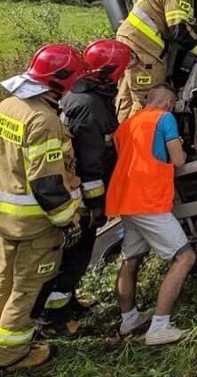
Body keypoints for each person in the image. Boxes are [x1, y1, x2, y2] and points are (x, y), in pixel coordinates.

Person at [32, 39, 135, 337]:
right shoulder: (88, 107)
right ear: (112, 72)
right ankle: (55, 320)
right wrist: (97, 207)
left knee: (77, 257)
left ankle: (70, 302)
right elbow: (90, 165)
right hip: (80, 200)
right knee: (73, 260)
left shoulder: (90, 95)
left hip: (81, 195)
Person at [0, 44, 86, 371]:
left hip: (5, 220)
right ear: (62, 82)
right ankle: (12, 355)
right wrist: (69, 222)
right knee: (26, 290)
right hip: (35, 225)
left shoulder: (8, 105)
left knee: (4, 284)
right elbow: (47, 186)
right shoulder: (44, 119)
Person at [106, 83, 195, 345]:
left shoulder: (127, 125)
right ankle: (159, 326)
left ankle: (129, 319)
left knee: (131, 258)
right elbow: (178, 160)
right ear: (169, 102)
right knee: (185, 257)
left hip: (126, 202)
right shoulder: (165, 118)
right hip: (149, 201)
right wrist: (183, 149)